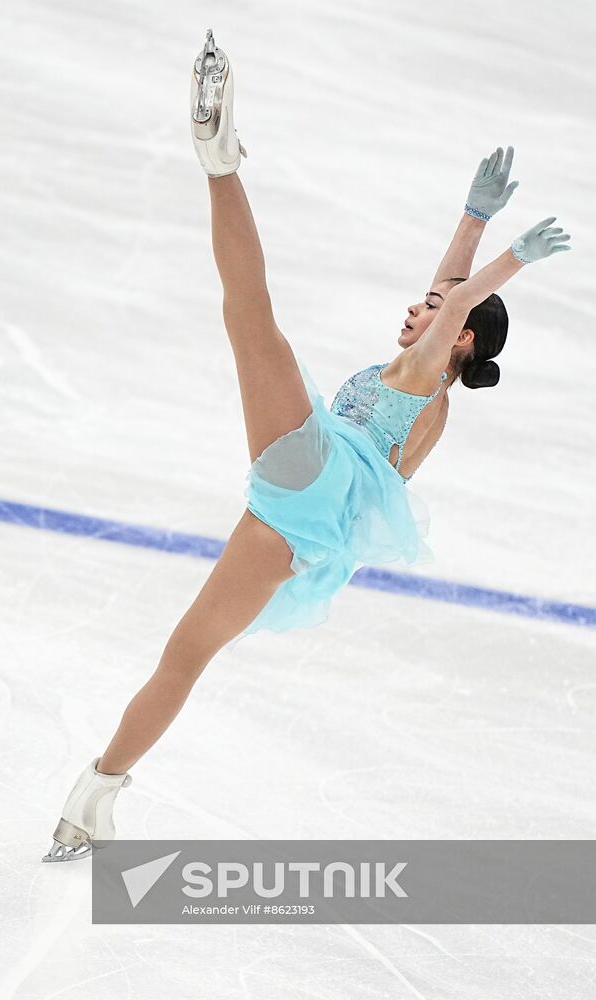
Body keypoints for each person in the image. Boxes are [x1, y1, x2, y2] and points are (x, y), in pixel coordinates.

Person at [41, 29, 571, 862]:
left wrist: (504, 252)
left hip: (317, 476)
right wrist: (471, 217)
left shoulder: (430, 372)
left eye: (435, 311)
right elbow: (451, 286)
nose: (417, 307)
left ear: (461, 340)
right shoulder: (427, 370)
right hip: (299, 519)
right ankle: (95, 796)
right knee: (184, 656)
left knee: (251, 318)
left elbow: (462, 291)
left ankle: (220, 165)